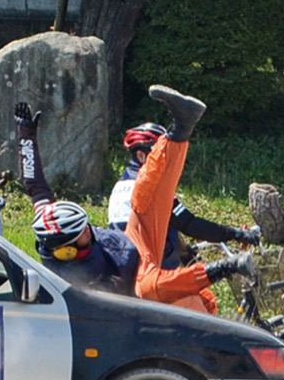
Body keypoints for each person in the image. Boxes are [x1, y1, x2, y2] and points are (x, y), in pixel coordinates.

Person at [17, 85, 253, 313]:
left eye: (87, 226)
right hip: (137, 282)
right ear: (66, 250)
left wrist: (26, 135)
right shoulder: (68, 279)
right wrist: (232, 238)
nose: (89, 232)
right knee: (150, 287)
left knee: (145, 195)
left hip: (133, 241)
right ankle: (223, 269)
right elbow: (189, 224)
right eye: (83, 235)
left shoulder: (51, 223)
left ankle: (181, 127)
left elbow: (35, 186)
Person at [108, 121, 261, 273]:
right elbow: (188, 223)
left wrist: (184, 251)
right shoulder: (149, 188)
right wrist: (236, 234)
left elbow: (161, 223)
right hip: (153, 273)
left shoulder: (120, 186)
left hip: (124, 270)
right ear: (141, 156)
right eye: (160, 155)